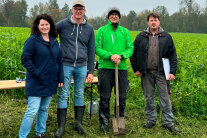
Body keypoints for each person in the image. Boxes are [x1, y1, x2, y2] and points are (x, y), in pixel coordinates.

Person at [130, 13, 180, 133]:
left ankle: (168, 123)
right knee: (148, 98)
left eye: (156, 20)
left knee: (165, 98)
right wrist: (136, 69)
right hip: (145, 73)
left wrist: (172, 72)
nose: (153, 22)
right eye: (151, 20)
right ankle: (151, 121)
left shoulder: (166, 37)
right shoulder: (141, 37)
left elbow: (173, 55)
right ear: (148, 22)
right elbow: (133, 54)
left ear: (159, 22)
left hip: (162, 73)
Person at [19, 14, 64, 138]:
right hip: (36, 81)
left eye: (47, 24)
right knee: (32, 111)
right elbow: (25, 59)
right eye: (42, 25)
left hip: (50, 81)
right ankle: (22, 135)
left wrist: (60, 78)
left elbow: (59, 61)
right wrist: (36, 73)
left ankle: (40, 133)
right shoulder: (32, 40)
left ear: (51, 25)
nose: (45, 27)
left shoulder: (54, 41)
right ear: (37, 26)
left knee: (44, 109)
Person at [54, 0, 95, 136]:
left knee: (79, 94)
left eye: (81, 8)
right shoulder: (62, 25)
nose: (78, 11)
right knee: (64, 94)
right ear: (72, 10)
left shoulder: (89, 28)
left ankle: (78, 124)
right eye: (76, 8)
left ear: (84, 10)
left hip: (82, 66)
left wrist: (90, 71)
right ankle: (61, 127)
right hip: (65, 65)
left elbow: (91, 50)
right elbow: (48, 34)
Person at [95, 7, 134, 133]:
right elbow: (97, 47)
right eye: (111, 14)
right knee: (105, 96)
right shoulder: (102, 31)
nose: (114, 16)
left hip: (121, 68)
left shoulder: (125, 32)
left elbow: (130, 48)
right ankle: (104, 121)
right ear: (108, 17)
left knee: (121, 96)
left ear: (119, 17)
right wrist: (110, 56)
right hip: (105, 68)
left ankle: (119, 119)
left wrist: (121, 56)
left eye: (116, 15)